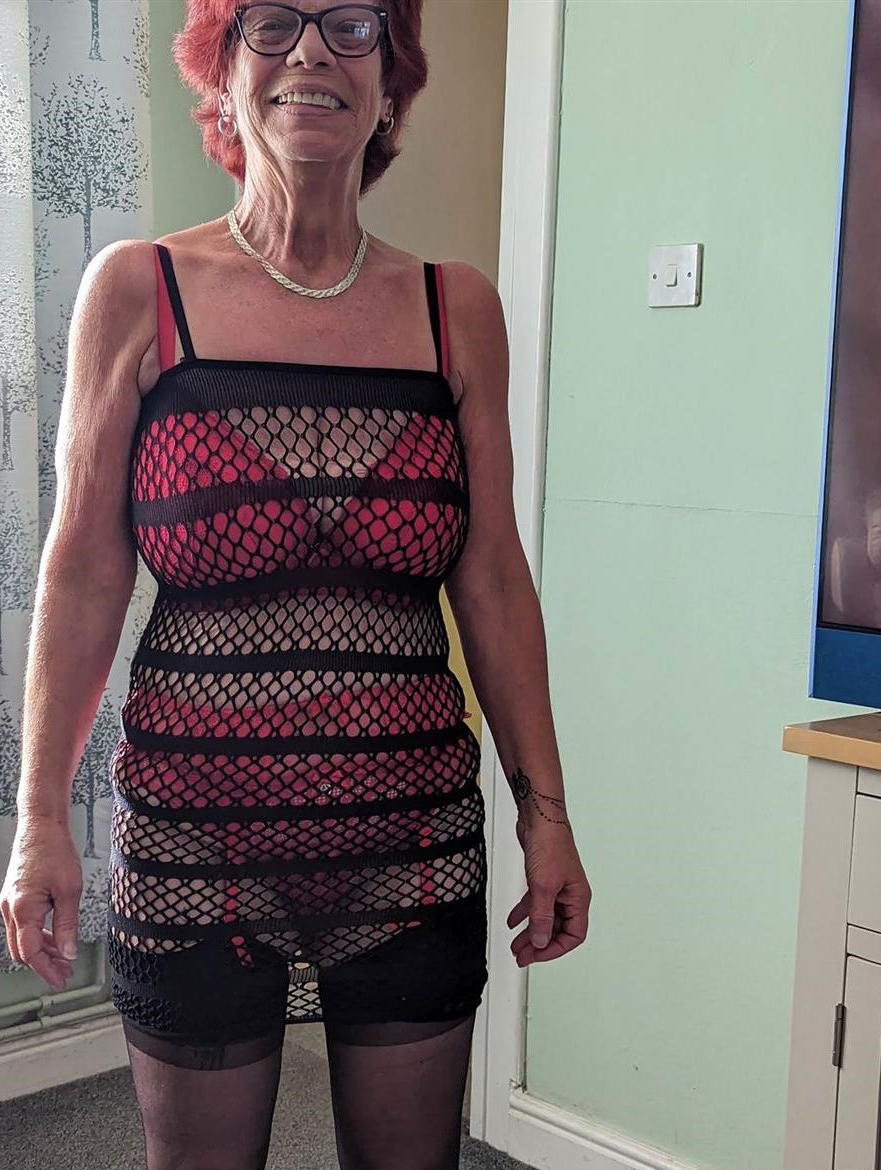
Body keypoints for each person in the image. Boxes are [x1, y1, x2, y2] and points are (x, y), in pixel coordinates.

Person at [0, 1, 592, 1166]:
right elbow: (80, 573)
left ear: (389, 86)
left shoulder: (456, 308)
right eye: (271, 23)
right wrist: (39, 821)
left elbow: (491, 580)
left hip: (409, 835)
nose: (311, 50)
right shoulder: (138, 289)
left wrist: (548, 818)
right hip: (194, 840)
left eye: (351, 26)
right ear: (222, 74)